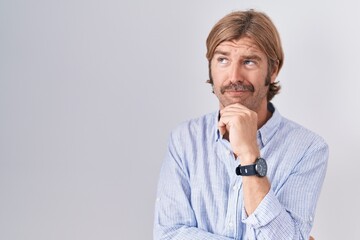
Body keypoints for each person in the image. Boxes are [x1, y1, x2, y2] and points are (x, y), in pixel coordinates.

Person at [154, 9, 328, 240]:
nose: (234, 76)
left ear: (273, 69)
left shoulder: (308, 148)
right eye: (223, 59)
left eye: (249, 61)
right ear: (211, 66)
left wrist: (249, 155)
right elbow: (168, 235)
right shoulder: (184, 139)